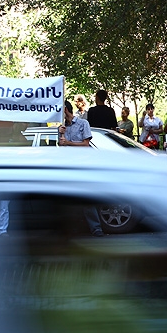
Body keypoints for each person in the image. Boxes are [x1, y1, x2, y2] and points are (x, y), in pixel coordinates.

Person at [60, 100, 105, 236]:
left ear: (65, 110)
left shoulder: (83, 123)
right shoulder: (62, 127)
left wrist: (68, 142)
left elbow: (86, 144)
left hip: (83, 165)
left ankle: (96, 228)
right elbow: (61, 146)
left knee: (86, 199)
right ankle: (75, 229)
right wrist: (61, 136)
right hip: (68, 167)